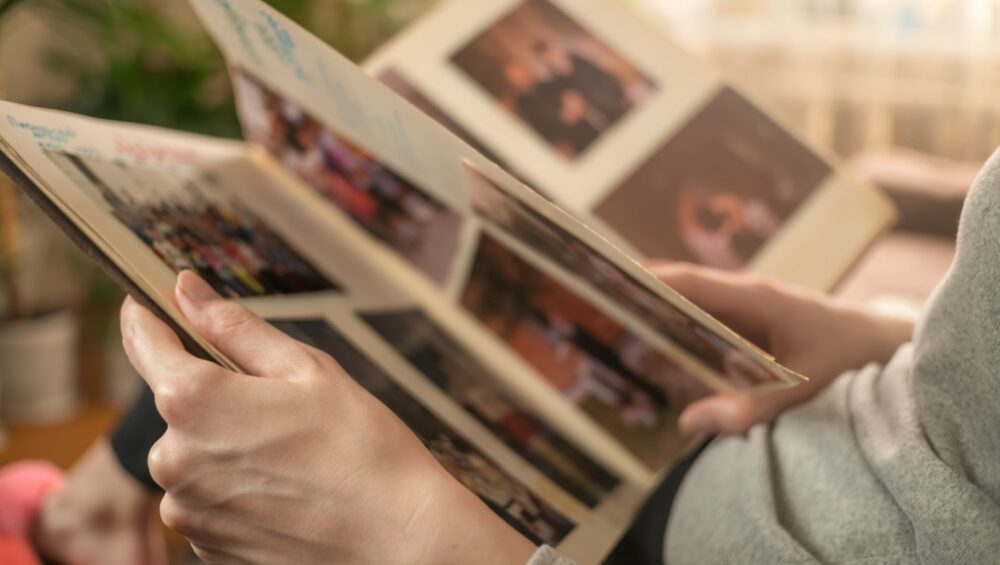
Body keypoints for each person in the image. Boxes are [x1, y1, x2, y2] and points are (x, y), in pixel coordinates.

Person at [16, 146, 1000, 564]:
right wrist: (898, 335)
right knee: (384, 236)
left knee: (362, 294)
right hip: (775, 439)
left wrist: (414, 537)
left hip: (716, 517)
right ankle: (89, 504)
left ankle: (77, 511)